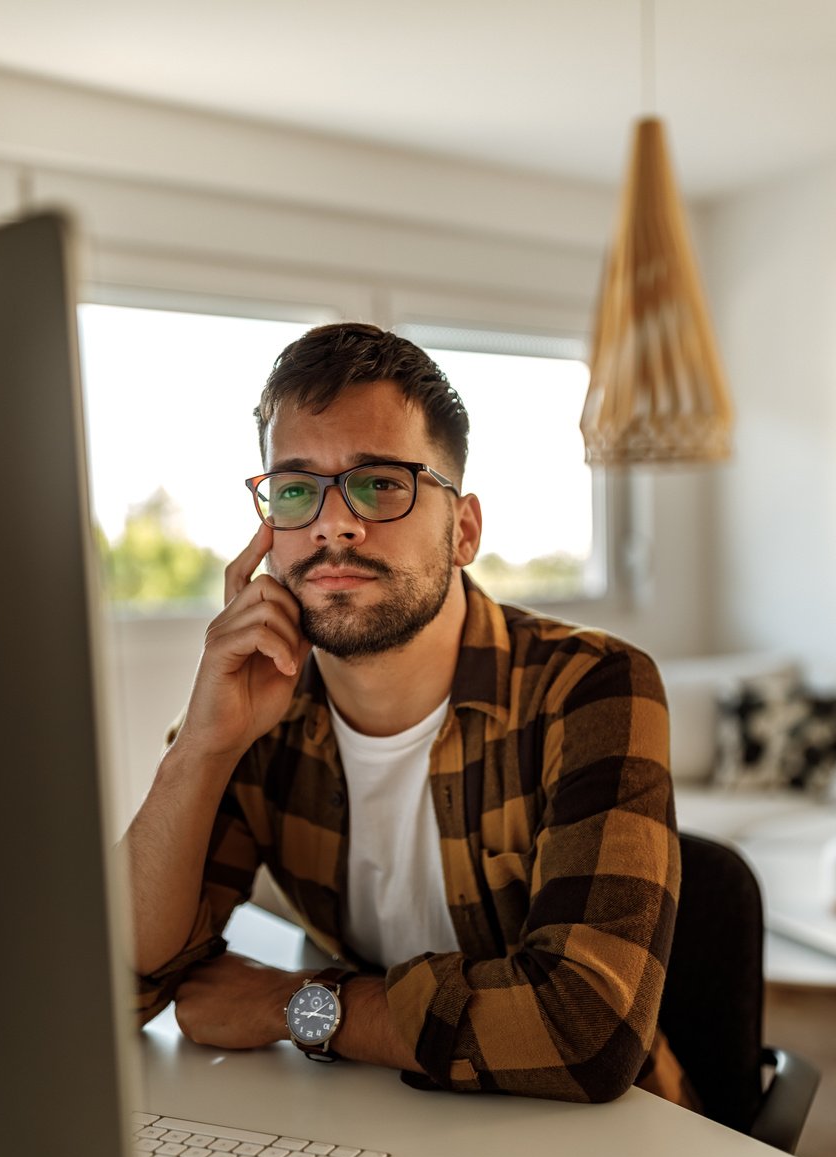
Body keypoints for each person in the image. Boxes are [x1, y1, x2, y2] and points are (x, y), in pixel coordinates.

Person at [128, 322, 696, 1108]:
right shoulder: (260, 719)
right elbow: (121, 981)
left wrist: (294, 1006)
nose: (334, 523)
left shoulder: (591, 688)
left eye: (380, 483)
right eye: (295, 489)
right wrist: (201, 747)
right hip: (391, 1123)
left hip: (613, 1149)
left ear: (462, 530)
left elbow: (585, 1032)